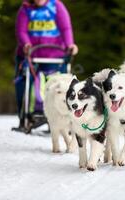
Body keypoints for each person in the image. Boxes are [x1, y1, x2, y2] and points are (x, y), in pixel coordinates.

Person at [14, 0, 78, 129]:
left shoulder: (56, 6)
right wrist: (26, 44)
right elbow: (21, 31)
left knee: (58, 87)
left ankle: (60, 119)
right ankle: (25, 118)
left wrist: (70, 44)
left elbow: (65, 28)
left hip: (55, 57)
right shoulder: (25, 9)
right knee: (23, 84)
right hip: (30, 56)